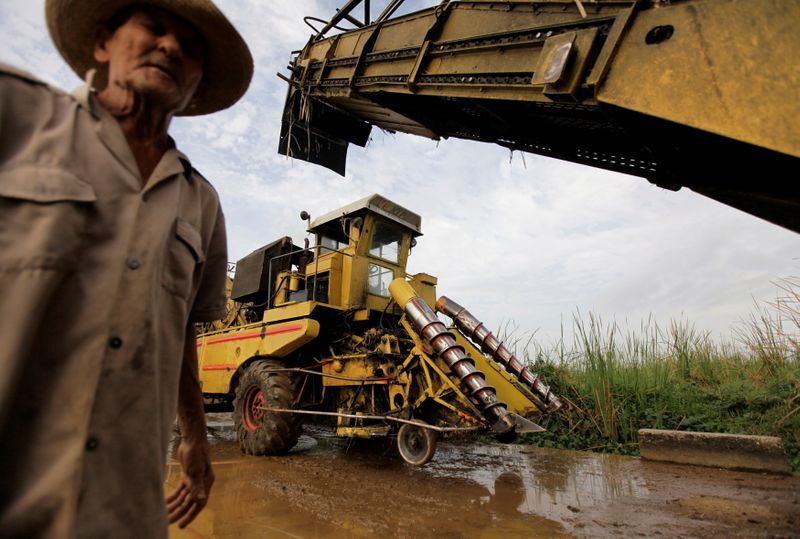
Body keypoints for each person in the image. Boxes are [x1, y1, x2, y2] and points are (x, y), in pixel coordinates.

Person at [0, 0, 253, 537]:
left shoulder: (201, 204)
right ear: (102, 43)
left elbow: (181, 328)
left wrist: (195, 436)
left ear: (196, 85)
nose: (170, 47)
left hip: (123, 505)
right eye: (154, 29)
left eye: (189, 48)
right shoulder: (18, 116)